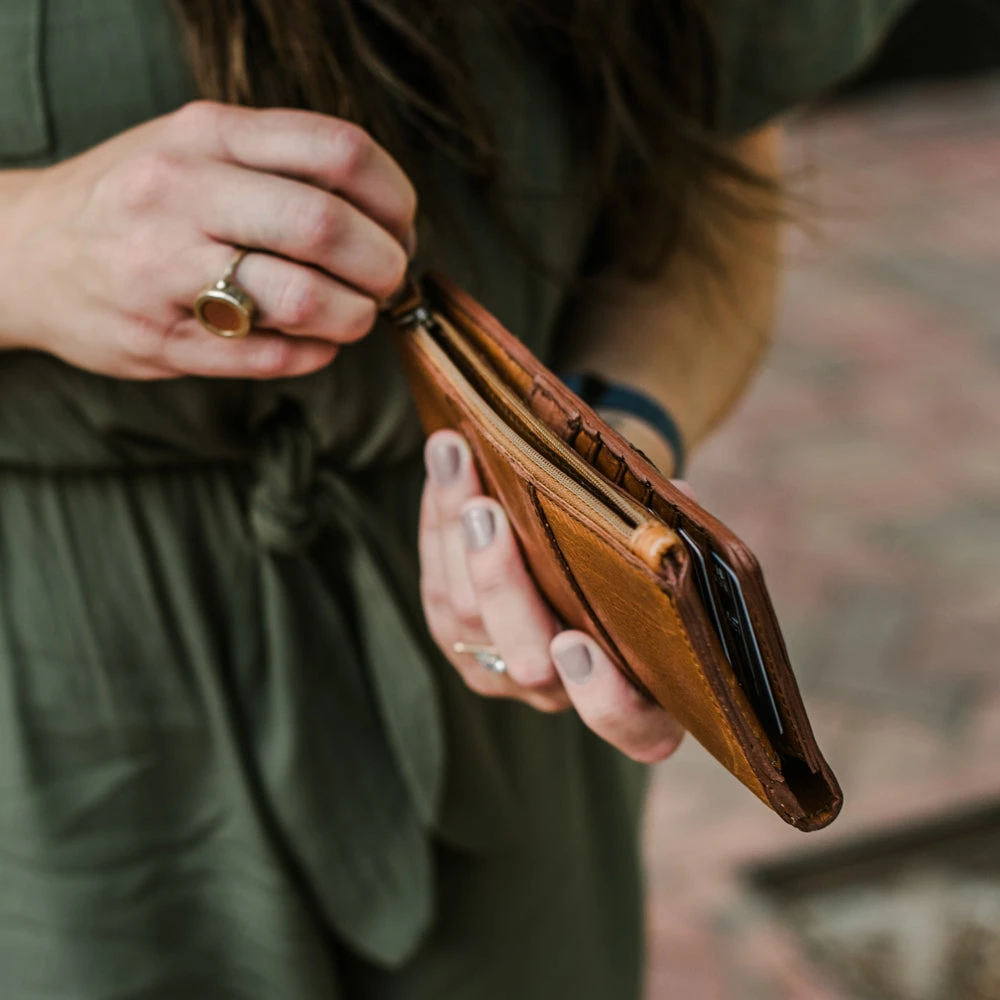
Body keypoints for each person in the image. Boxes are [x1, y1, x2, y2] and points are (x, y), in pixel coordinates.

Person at [0, 1, 908, 997]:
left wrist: (597, 479)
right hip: (51, 674)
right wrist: (29, 244)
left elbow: (713, 182)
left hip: (488, 653)